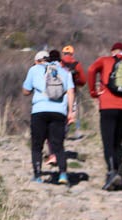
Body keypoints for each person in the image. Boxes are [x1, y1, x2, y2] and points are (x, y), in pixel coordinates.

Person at [87, 42, 122, 191]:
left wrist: (93, 92)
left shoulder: (104, 61)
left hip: (107, 107)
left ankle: (112, 173)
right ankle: (119, 177)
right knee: (117, 143)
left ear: (112, 52)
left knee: (108, 142)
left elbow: (91, 70)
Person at [22, 49, 75, 186]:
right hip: (59, 112)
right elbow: (70, 92)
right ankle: (63, 174)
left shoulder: (34, 70)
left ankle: (38, 175)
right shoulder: (65, 72)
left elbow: (26, 90)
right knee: (58, 145)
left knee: (37, 144)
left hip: (39, 111)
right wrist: (71, 112)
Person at [60, 45, 86, 139]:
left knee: (61, 112)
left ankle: (61, 132)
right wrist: (77, 83)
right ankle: (68, 130)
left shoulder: (59, 63)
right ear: (72, 53)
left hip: (60, 92)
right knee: (71, 113)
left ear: (63, 53)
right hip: (73, 91)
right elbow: (83, 80)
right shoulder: (76, 64)